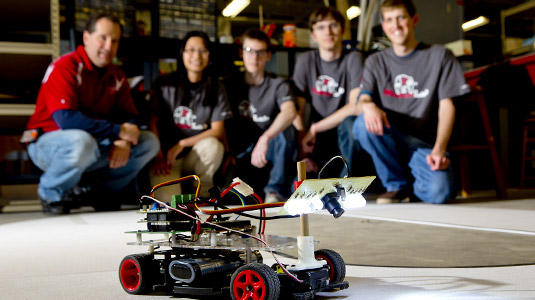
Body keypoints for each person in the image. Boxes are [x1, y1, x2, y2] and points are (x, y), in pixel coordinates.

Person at [25, 13, 160, 214]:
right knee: (82, 141)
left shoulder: (116, 75)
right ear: (86, 37)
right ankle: (51, 193)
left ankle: (100, 193)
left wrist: (124, 139)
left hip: (93, 143)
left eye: (114, 41)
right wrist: (118, 131)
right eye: (102, 37)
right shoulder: (65, 67)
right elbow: (66, 119)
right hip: (47, 143)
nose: (108, 46)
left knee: (148, 142)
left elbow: (130, 116)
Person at [352, 0, 470, 204]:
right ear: (383, 24)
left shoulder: (440, 56)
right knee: (362, 123)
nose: (395, 25)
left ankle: (414, 184)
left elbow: (447, 105)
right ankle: (395, 186)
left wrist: (440, 148)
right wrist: (369, 106)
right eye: (389, 19)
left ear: (414, 19)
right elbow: (363, 99)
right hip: (392, 137)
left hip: (424, 143)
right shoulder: (375, 61)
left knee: (438, 194)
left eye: (401, 17)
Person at [149, 31, 232, 200]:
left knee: (213, 146)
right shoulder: (165, 84)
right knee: (169, 203)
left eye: (202, 50)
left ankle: (201, 190)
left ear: (209, 55)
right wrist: (157, 156)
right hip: (166, 160)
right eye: (191, 50)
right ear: (182, 53)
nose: (197, 56)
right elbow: (152, 121)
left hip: (194, 157)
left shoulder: (216, 87)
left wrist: (182, 143)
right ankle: (181, 186)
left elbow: (217, 131)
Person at [224, 29, 297, 203]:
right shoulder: (228, 85)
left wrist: (265, 138)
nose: (254, 57)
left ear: (268, 55)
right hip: (240, 152)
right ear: (241, 53)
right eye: (249, 51)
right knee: (229, 199)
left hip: (269, 150)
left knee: (287, 130)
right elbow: (218, 122)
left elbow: (290, 111)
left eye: (260, 52)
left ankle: (274, 192)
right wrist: (227, 151)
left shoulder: (278, 83)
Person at [292, 6, 364, 177]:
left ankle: (348, 182)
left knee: (351, 123)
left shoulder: (354, 59)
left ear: (343, 30)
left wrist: (315, 127)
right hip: (316, 141)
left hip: (345, 136)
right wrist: (304, 149)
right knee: (299, 189)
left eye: (333, 25)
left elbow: (355, 106)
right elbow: (298, 110)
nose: (328, 32)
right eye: (321, 27)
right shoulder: (306, 61)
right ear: (313, 35)